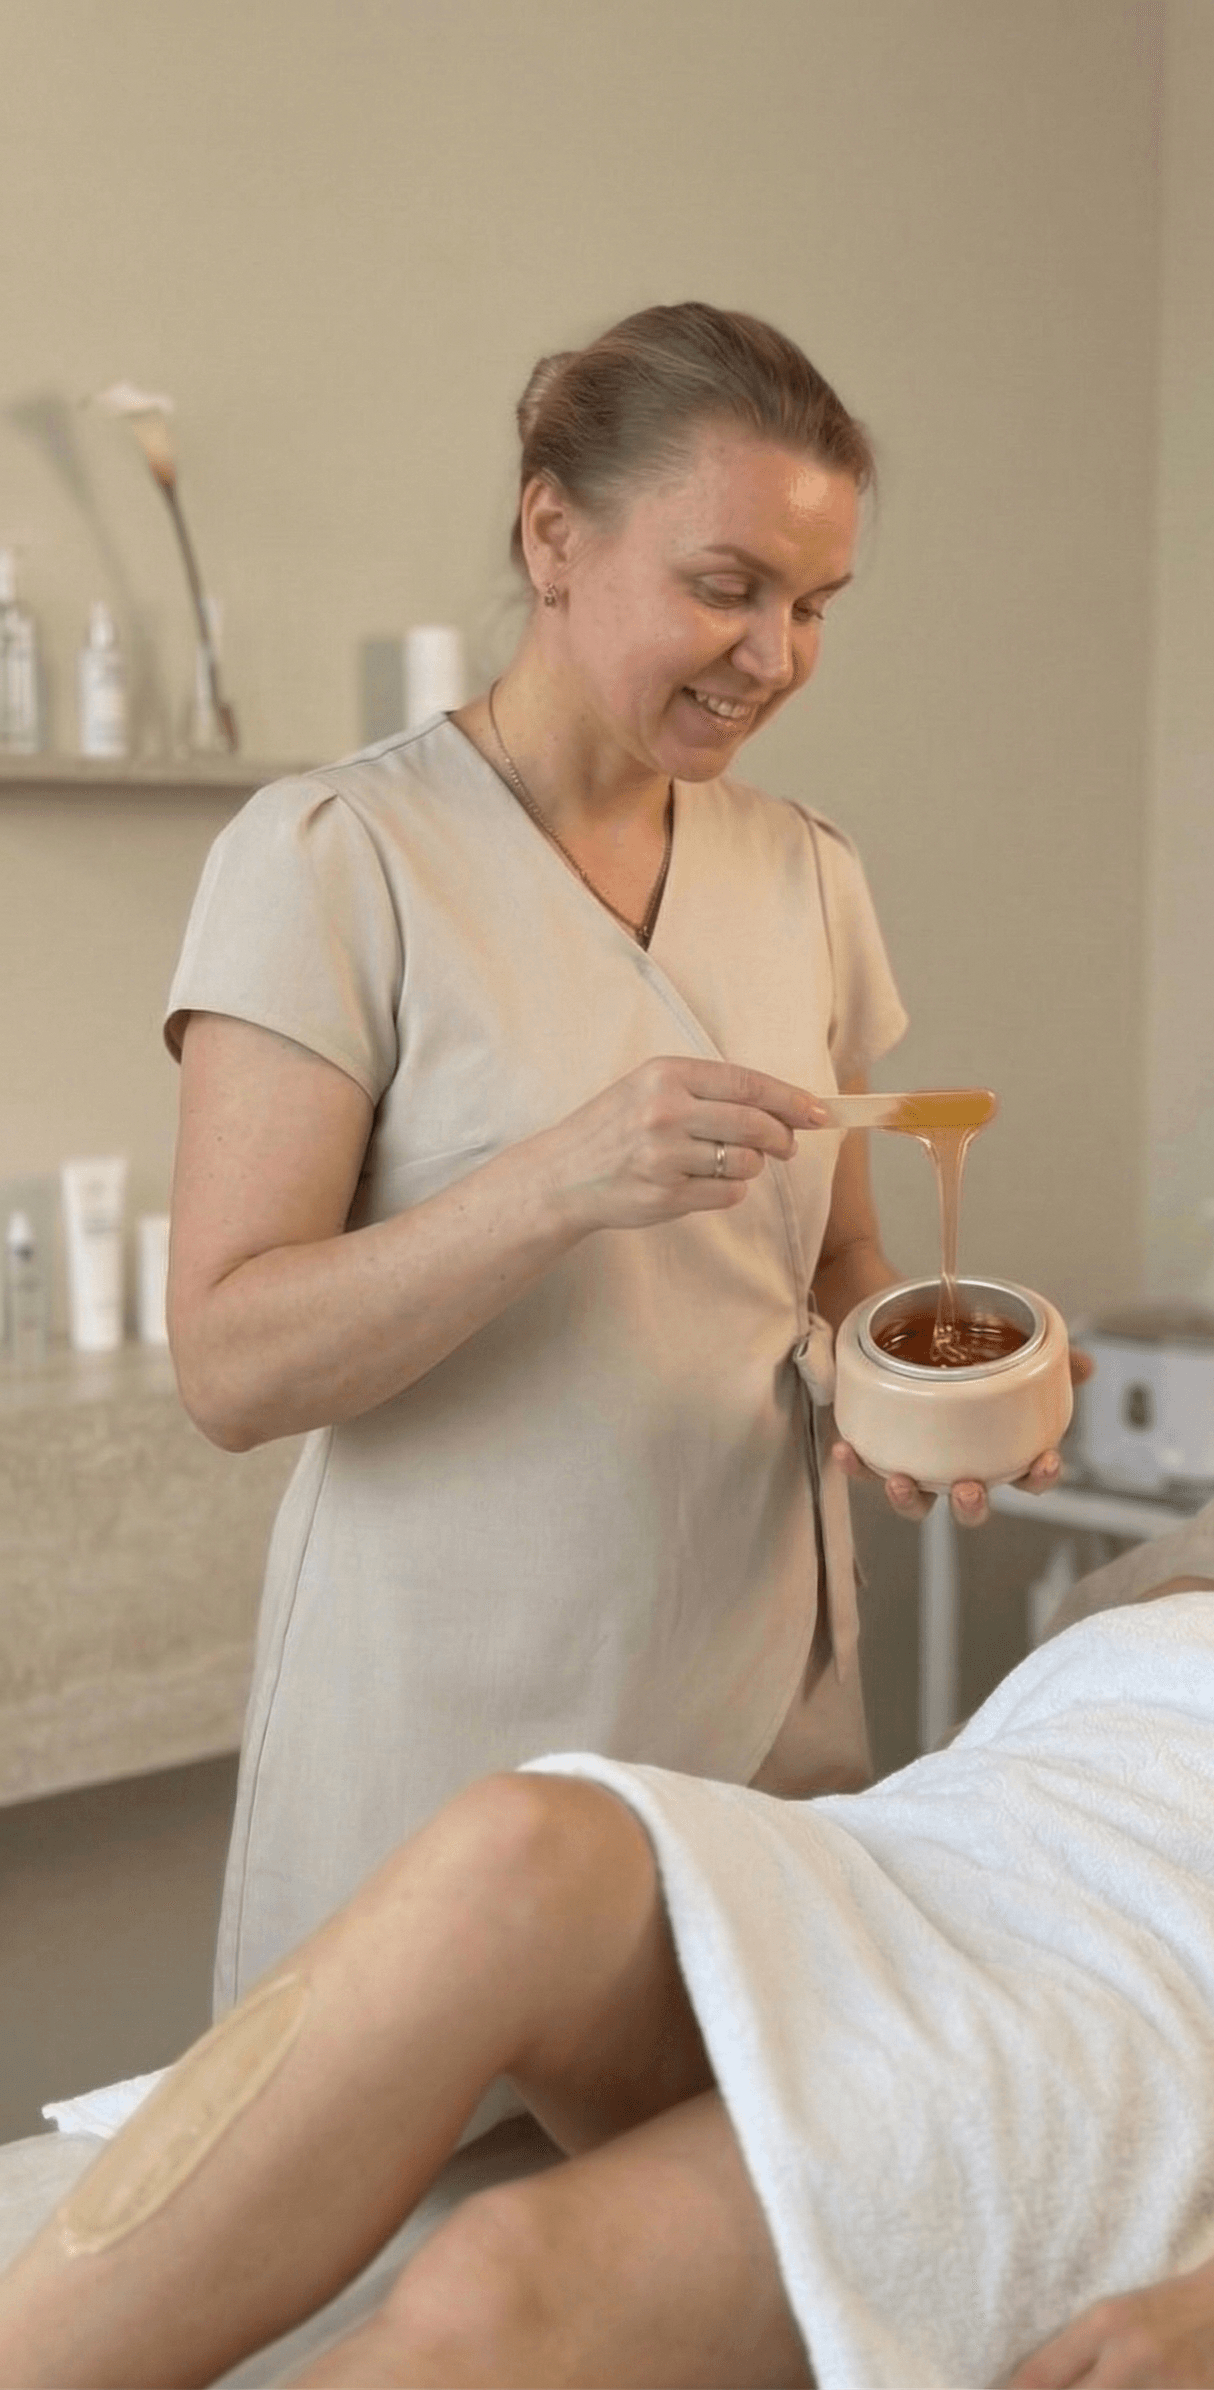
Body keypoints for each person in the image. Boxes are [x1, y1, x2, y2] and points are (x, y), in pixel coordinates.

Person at [0, 1220, 1214, 2388]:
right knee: (527, 1832)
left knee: (497, 2286)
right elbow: (976, 1801)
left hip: (1094, 2039)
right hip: (892, 1893)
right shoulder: (1196, 1609)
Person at [161, 302, 1064, 2015]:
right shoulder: (335, 859)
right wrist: (555, 1177)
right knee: (411, 2252)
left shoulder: (806, 870)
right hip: (449, 1735)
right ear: (552, 533)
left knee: (730, 2234)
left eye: (814, 607)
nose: (776, 653)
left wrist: (931, 1397)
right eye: (727, 586)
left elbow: (835, 1269)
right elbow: (227, 1361)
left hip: (766, 1706)